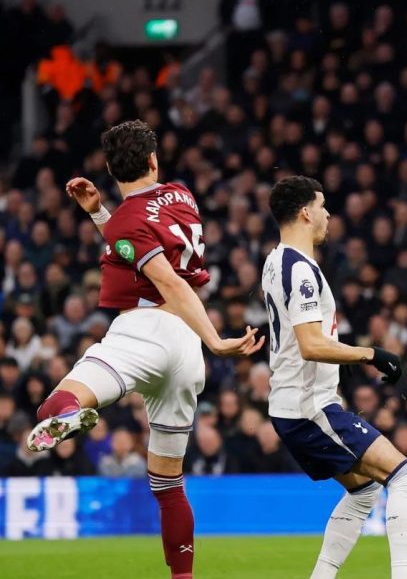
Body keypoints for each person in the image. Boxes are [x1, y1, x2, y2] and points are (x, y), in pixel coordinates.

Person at [26, 120, 265, 579]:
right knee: (169, 485)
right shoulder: (182, 195)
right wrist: (100, 215)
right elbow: (140, 244)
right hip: (185, 350)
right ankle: (183, 577)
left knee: (54, 404)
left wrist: (217, 340)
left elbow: (165, 278)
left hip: (146, 330)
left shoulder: (127, 222)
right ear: (154, 161)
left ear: (112, 170)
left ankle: (72, 415)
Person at [260, 176, 407, 579]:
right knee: (405, 475)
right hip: (309, 409)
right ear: (305, 212)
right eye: (323, 205)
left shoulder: (275, 260)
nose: (329, 214)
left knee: (364, 489)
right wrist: (373, 354)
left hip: (293, 406)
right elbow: (311, 344)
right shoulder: (300, 269)